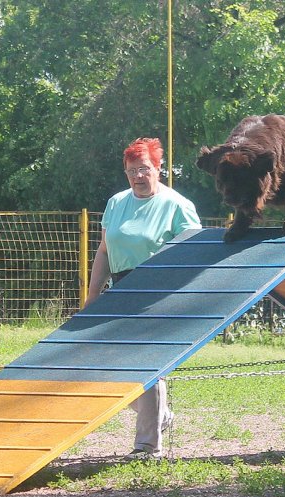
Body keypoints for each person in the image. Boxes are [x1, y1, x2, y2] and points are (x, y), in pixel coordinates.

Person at [86, 137, 201, 459]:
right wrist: (93, 295)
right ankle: (159, 414)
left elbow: (196, 256)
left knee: (147, 365)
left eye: (145, 169)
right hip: (121, 288)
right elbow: (105, 250)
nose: (139, 176)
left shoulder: (177, 205)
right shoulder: (116, 203)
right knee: (103, 363)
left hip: (159, 291)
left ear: (158, 169)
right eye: (132, 170)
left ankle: (147, 447)